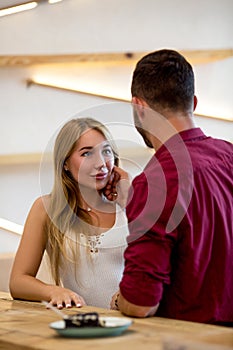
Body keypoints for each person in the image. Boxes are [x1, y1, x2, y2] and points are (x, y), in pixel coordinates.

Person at [111, 49, 233, 325]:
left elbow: (142, 303)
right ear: (194, 102)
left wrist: (119, 300)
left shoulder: (155, 183)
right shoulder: (229, 155)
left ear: (139, 107)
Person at [9, 117, 129, 309]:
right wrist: (54, 291)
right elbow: (18, 282)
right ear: (65, 163)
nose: (101, 163)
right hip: (80, 328)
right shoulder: (46, 209)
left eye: (106, 151)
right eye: (87, 153)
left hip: (133, 325)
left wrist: (131, 200)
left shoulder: (129, 206)